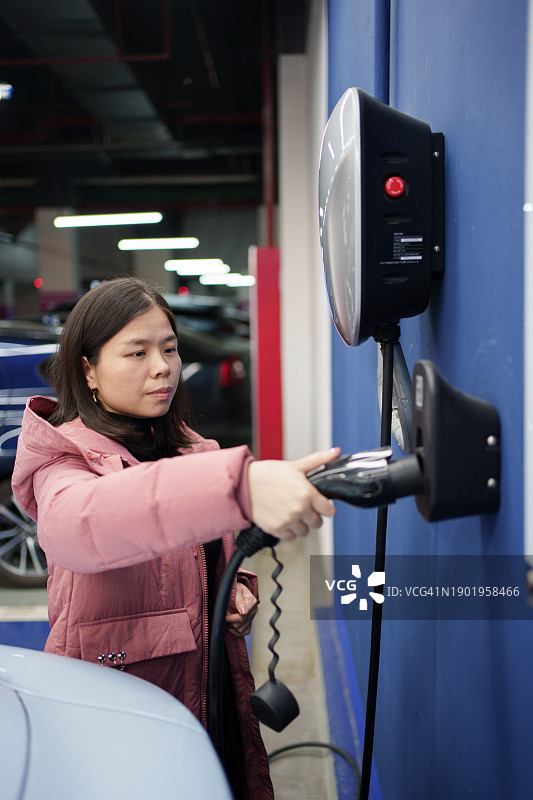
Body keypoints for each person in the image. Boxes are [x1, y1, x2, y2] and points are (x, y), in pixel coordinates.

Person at [12, 277, 339, 800]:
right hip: (119, 712)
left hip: (211, 693)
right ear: (87, 369)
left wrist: (236, 590)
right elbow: (79, 525)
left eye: (169, 348)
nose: (162, 367)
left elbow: (201, 557)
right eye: (136, 352)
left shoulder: (194, 451)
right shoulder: (61, 458)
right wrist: (241, 485)